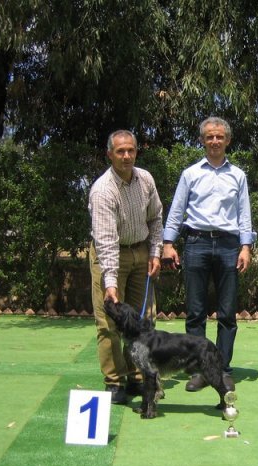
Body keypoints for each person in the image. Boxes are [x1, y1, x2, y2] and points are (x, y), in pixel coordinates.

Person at [162, 117, 256, 393]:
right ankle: (199, 369)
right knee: (195, 313)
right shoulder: (190, 174)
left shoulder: (238, 175)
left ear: (227, 140)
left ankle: (222, 370)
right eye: (209, 137)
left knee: (227, 314)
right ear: (202, 140)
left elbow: (244, 214)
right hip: (196, 244)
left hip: (228, 246)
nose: (214, 141)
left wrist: (246, 247)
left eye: (219, 137)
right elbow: (177, 211)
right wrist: (168, 243)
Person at [88, 130, 163, 404]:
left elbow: (156, 218)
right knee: (109, 322)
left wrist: (155, 252)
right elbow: (106, 242)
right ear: (109, 154)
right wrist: (109, 283)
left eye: (130, 150)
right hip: (111, 258)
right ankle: (114, 381)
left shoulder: (145, 179)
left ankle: (139, 376)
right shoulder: (102, 190)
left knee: (144, 321)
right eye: (120, 151)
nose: (126, 156)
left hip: (141, 252)